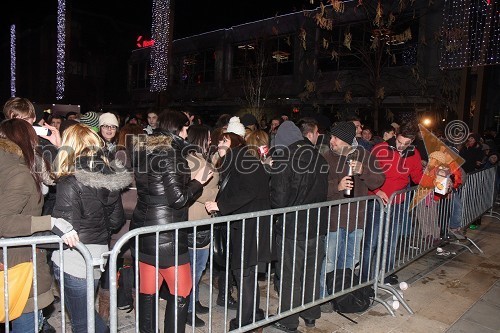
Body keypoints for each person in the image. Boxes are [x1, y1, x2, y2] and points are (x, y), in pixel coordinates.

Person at [130, 110, 212, 333]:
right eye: (185, 128)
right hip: (166, 235)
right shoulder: (170, 154)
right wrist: (198, 181)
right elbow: (178, 199)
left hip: (144, 229)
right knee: (182, 289)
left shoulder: (145, 149)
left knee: (148, 289)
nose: (187, 134)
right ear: (177, 129)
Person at [51, 123, 131, 333]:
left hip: (74, 258)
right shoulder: (109, 177)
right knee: (86, 315)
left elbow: (67, 226)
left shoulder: (70, 181)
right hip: (98, 253)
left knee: (81, 322)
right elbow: (116, 220)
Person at [0, 119, 78, 333]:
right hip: (19, 261)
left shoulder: (15, 163)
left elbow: (55, 177)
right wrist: (50, 222)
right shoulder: (19, 172)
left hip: (12, 256)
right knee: (26, 320)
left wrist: (57, 146)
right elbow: (3, 221)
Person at [204, 129, 271, 331]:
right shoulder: (241, 159)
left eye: (221, 142)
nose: (218, 146)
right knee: (247, 272)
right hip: (248, 224)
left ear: (231, 141)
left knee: (245, 273)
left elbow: (249, 191)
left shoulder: (243, 160)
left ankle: (244, 321)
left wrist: (220, 206)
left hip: (249, 226)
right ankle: (253, 315)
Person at [269, 120, 329, 332]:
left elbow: (278, 199)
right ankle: (310, 315)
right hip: (316, 225)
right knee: (312, 272)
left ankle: (288, 320)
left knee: (289, 275)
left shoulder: (285, 159)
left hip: (293, 227)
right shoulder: (319, 157)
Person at [320, 121, 384, 312]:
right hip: (333, 219)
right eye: (331, 137)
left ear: (347, 141)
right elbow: (318, 188)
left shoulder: (364, 156)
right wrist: (336, 187)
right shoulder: (325, 158)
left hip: (356, 220)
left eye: (335, 138)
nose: (331, 141)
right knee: (329, 260)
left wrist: (363, 171)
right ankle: (324, 298)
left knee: (350, 260)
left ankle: (344, 296)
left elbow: (379, 180)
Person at [362, 122, 423, 284]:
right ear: (395, 135)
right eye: (399, 142)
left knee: (390, 240)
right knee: (371, 241)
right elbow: (366, 173)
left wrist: (437, 178)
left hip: (398, 202)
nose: (402, 147)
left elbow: (418, 178)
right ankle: (365, 276)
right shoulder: (379, 149)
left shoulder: (414, 153)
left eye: (406, 144)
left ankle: (386, 273)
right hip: (376, 201)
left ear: (412, 142)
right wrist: (376, 190)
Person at [185, 125, 219, 327]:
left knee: (197, 268)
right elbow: (194, 190)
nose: (210, 140)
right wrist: (217, 193)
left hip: (201, 221)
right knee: (194, 269)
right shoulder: (193, 161)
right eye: (207, 137)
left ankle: (194, 302)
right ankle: (188, 309)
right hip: (196, 221)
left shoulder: (200, 159)